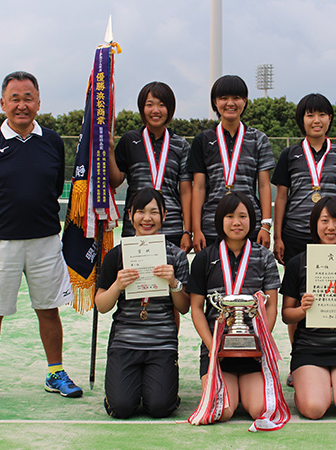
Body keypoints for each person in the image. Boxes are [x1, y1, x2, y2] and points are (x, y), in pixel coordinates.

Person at [0, 71, 82, 405]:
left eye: (28, 98)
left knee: (48, 310)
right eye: (15, 98)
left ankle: (55, 372)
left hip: (44, 241)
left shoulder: (53, 142)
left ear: (38, 102)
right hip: (1, 243)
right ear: (3, 103)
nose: (22, 105)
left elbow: (55, 187)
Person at [95, 188, 189, 418]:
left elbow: (184, 307)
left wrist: (173, 282)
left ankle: (163, 392)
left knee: (159, 408)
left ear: (164, 216)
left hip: (162, 342)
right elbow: (101, 305)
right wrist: (117, 285)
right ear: (130, 215)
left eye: (154, 212)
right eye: (140, 212)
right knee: (122, 409)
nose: (147, 218)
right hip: (125, 342)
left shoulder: (176, 256)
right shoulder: (117, 255)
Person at [188, 192, 281, 422]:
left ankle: (245, 386)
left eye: (243, 216)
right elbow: (197, 308)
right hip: (217, 353)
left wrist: (262, 341)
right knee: (223, 411)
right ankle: (229, 385)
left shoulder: (265, 258)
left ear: (251, 220)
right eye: (230, 216)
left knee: (260, 410)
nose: (237, 222)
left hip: (254, 352)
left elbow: (271, 307)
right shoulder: (204, 258)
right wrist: (213, 347)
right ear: (220, 220)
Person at [280, 197, 336, 420]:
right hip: (309, 349)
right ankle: (311, 379)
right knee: (314, 409)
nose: (331, 227)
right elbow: (286, 315)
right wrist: (302, 310)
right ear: (315, 225)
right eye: (325, 220)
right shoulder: (297, 263)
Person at [188, 75, 275, 253]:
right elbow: (198, 188)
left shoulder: (259, 139)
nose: (230, 103)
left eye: (236, 98)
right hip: (212, 224)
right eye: (223, 98)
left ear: (245, 101)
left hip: (249, 223)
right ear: (215, 102)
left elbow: (264, 185)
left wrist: (265, 225)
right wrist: (196, 230)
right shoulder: (203, 140)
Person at [272, 93, 336, 266]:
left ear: (329, 118)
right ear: (301, 119)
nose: (316, 120)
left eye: (322, 115)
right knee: (295, 288)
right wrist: (278, 237)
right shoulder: (289, 155)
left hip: (330, 235)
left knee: (328, 289)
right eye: (310, 115)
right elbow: (281, 197)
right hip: (295, 234)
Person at [109, 81, 192, 253]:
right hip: (136, 226)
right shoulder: (129, 141)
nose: (156, 110)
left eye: (162, 105)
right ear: (142, 108)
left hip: (171, 227)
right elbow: (116, 181)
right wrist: (109, 151)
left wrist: (187, 230)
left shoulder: (181, 145)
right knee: (135, 278)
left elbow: (185, 191)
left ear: (170, 109)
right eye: (150, 105)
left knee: (169, 277)